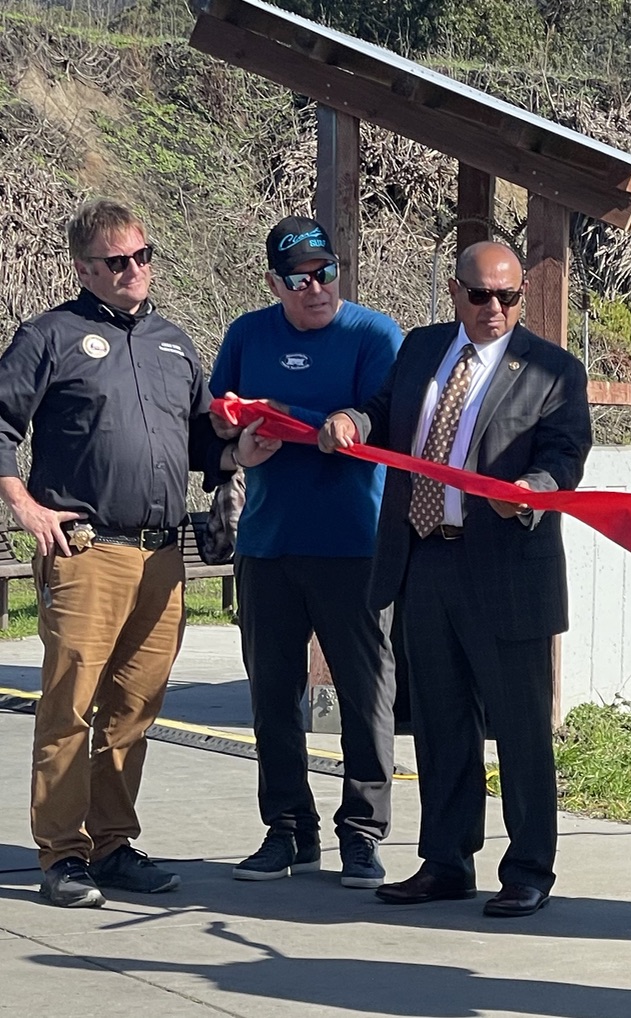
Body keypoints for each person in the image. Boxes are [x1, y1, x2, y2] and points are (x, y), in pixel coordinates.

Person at [0, 198, 280, 908]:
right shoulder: (50, 336)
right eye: (118, 262)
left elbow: (199, 440)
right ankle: (62, 856)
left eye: (144, 256)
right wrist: (25, 506)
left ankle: (113, 843)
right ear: (84, 268)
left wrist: (236, 449)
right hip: (87, 551)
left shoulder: (172, 343)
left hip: (163, 557)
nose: (135, 270)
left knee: (133, 710)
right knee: (70, 708)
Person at [317, 241, 591, 918]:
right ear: (453, 291)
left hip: (505, 565)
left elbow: (567, 452)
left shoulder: (552, 369)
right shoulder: (421, 348)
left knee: (521, 729)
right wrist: (355, 419)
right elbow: (384, 408)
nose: (495, 309)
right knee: (439, 723)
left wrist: (535, 487)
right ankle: (445, 860)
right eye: (481, 296)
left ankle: (528, 868)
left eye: (509, 297)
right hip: (424, 559)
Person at [210, 216, 403, 889]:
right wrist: (239, 443)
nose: (318, 287)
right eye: (301, 278)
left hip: (354, 545)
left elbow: (392, 411)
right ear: (274, 282)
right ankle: (288, 828)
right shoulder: (247, 334)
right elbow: (216, 415)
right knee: (272, 694)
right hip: (267, 543)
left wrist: (355, 421)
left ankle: (363, 834)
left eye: (328, 272)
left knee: (364, 694)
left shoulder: (374, 335)